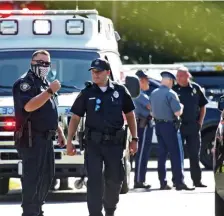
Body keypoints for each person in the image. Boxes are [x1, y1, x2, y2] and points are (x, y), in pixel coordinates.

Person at [66, 58, 138, 216]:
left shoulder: (120, 91)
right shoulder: (87, 93)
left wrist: (134, 139)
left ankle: (110, 210)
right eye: (93, 72)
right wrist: (69, 141)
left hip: (115, 144)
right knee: (94, 181)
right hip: (94, 144)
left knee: (115, 180)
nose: (95, 75)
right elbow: (76, 117)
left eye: (98, 72)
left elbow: (130, 115)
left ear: (108, 73)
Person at [12, 50, 66, 216]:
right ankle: (29, 211)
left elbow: (48, 110)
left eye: (47, 63)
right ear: (32, 62)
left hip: (46, 138)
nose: (44, 66)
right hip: (31, 138)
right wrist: (49, 91)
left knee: (46, 177)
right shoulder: (25, 83)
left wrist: (59, 130)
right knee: (33, 178)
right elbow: (28, 106)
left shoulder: (43, 83)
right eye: (40, 62)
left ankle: (37, 209)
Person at [150, 71, 192, 190]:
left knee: (162, 155)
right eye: (172, 81)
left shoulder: (154, 93)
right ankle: (179, 182)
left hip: (158, 125)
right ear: (169, 80)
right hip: (169, 126)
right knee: (176, 154)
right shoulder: (171, 93)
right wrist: (182, 106)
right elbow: (177, 112)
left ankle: (163, 183)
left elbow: (152, 112)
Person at [173, 66, 208, 187]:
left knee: (194, 154)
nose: (178, 78)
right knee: (178, 155)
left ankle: (197, 181)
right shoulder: (173, 89)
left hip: (193, 126)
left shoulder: (195, 88)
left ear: (187, 76)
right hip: (179, 126)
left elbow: (203, 106)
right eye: (177, 76)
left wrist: (200, 122)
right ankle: (178, 181)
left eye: (180, 75)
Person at [133, 70, 153, 189]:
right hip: (143, 125)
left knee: (144, 153)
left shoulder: (140, 94)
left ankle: (140, 179)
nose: (149, 83)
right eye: (147, 80)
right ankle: (139, 180)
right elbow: (152, 107)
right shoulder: (139, 94)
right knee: (142, 154)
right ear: (140, 81)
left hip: (144, 125)